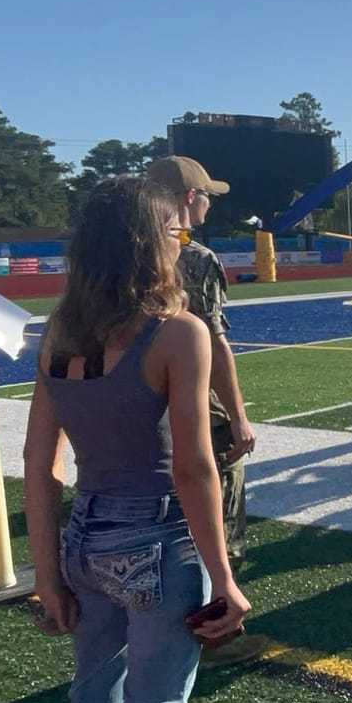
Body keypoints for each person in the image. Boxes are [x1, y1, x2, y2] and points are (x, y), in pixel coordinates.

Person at [23, 178, 249, 703]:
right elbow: (193, 468)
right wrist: (224, 577)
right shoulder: (178, 332)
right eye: (175, 233)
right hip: (158, 540)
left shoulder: (58, 334)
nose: (181, 242)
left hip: (85, 538)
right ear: (151, 245)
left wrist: (47, 575)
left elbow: (38, 464)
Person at [145, 158, 257, 599]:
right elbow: (214, 341)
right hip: (197, 405)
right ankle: (219, 610)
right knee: (218, 511)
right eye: (207, 195)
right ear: (190, 197)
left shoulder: (122, 255)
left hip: (142, 404)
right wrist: (238, 415)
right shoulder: (195, 257)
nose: (210, 203)